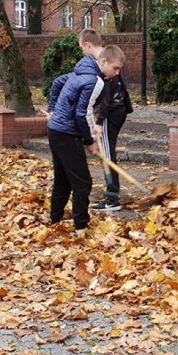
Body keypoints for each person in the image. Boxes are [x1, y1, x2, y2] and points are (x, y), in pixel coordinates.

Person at [47, 44, 125, 234]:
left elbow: (57, 82)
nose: (116, 73)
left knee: (63, 180)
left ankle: (54, 220)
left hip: (55, 131)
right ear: (103, 61)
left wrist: (53, 110)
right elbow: (82, 114)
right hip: (67, 134)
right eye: (115, 68)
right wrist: (89, 140)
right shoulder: (94, 81)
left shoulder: (79, 72)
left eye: (119, 69)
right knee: (82, 183)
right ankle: (81, 227)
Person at [91, 67, 133, 212]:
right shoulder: (113, 65)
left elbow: (105, 98)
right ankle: (112, 196)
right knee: (108, 154)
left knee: (107, 155)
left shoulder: (107, 69)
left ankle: (112, 199)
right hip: (118, 110)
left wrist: (99, 121)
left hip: (111, 113)